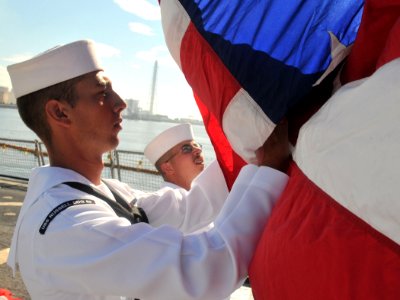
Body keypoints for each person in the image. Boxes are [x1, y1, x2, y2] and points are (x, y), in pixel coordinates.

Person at [6, 39, 290, 300]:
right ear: (60, 113)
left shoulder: (103, 191)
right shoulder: (68, 224)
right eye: (102, 93)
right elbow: (204, 271)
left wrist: (253, 144)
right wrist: (270, 168)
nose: (120, 103)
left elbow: (193, 205)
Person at [144, 123, 207, 192]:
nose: (198, 150)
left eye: (197, 145)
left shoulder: (199, 194)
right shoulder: (167, 200)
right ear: (168, 168)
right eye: (186, 149)